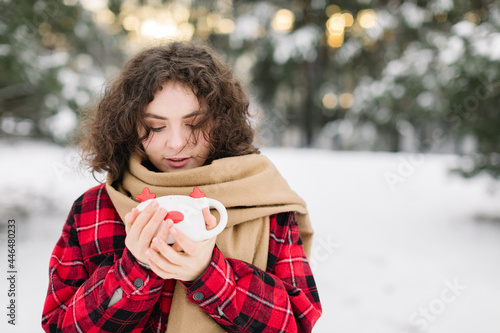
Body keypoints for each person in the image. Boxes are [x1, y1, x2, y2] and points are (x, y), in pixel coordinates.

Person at [42, 40, 322, 332]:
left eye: (195, 124)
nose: (176, 144)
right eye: (156, 127)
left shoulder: (264, 200)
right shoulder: (94, 210)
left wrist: (209, 275)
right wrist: (136, 268)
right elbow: (61, 326)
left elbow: (297, 323)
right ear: (128, 126)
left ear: (222, 122)